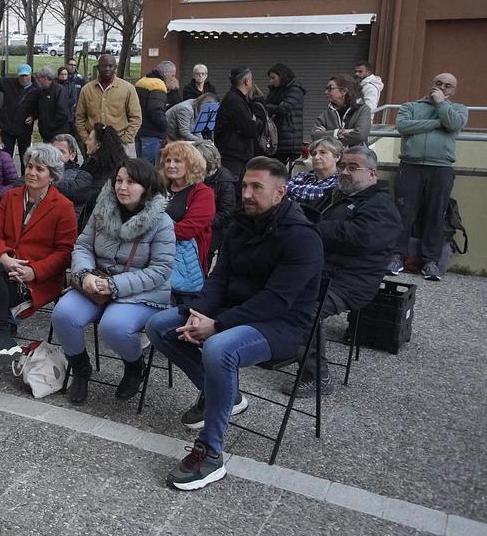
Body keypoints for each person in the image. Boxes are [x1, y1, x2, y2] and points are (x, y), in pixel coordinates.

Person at [146, 156, 323, 491]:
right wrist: (201, 312)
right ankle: (227, 396)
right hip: (232, 311)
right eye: (244, 185)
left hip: (281, 325)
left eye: (257, 187)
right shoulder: (242, 223)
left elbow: (276, 300)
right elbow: (219, 277)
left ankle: (211, 453)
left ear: (281, 192)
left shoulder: (302, 237)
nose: (247, 194)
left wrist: (218, 325)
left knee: (218, 348)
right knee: (159, 326)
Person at [54, 158, 176, 403]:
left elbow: (161, 270)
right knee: (62, 315)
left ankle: (134, 366)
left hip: (141, 290)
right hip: (96, 282)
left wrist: (115, 285)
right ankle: (81, 368)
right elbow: (82, 246)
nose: (122, 187)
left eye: (131, 182)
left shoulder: (161, 223)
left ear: (146, 187)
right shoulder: (102, 212)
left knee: (114, 326)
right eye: (119, 181)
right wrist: (84, 273)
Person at [0, 144, 78, 399]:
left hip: (36, 279)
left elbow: (65, 252)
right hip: (4, 269)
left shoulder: (63, 206)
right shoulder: (12, 196)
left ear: (53, 175)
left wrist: (33, 271)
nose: (32, 172)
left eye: (40, 169)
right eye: (29, 166)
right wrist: (5, 258)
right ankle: (3, 334)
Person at [288, 146, 400, 395]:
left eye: (352, 167)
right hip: (324, 272)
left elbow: (361, 238)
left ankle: (317, 376)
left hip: (351, 283)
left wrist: (313, 227)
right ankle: (279, 348)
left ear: (372, 173)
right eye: (342, 166)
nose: (344, 172)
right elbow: (315, 218)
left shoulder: (380, 206)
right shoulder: (340, 195)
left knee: (307, 307)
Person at [390, 73, 467, 281]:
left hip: (441, 168)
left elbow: (454, 124)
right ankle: (396, 255)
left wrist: (441, 105)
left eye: (448, 86)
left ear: (453, 91)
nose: (442, 87)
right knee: (402, 211)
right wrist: (436, 123)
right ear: (431, 84)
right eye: (439, 83)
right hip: (410, 165)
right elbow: (403, 127)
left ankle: (430, 262)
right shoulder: (410, 106)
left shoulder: (458, 109)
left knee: (436, 214)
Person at [158, 141, 216, 288]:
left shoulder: (203, 193)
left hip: (183, 263)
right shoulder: (159, 189)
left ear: (191, 164)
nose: (171, 165)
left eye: (177, 161)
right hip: (154, 255)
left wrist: (151, 230)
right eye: (168, 160)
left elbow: (188, 230)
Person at [75, 53, 141, 157]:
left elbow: (136, 118)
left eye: (110, 66)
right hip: (93, 144)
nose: (107, 68)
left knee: (118, 172)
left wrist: (125, 140)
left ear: (115, 67)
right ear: (98, 67)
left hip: (118, 144)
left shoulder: (128, 89)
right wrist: (87, 139)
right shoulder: (86, 90)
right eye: (104, 66)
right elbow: (80, 117)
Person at [213, 68, 266, 184]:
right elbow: (250, 129)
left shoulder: (237, 99)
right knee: (234, 189)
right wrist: (258, 121)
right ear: (247, 81)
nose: (252, 82)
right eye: (251, 79)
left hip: (236, 153)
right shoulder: (235, 101)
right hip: (233, 155)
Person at [0, 56, 39, 158]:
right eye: (21, 76)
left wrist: (33, 116)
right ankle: (7, 173)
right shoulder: (9, 83)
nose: (24, 79)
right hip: (7, 126)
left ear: (31, 75)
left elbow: (39, 107)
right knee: (6, 155)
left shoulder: (37, 89)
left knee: (25, 156)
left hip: (24, 127)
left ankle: (24, 173)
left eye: (26, 76)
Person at [196, 141, 236, 257]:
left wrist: (202, 222)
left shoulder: (225, 181)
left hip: (215, 228)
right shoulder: (196, 176)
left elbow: (226, 213)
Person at [313, 74, 372, 148]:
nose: (326, 92)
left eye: (330, 88)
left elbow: (360, 135)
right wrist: (337, 133)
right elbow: (315, 135)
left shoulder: (363, 109)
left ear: (344, 91)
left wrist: (328, 135)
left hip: (356, 156)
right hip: (333, 158)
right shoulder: (326, 114)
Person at [265, 63, 307, 164]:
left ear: (282, 76)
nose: (271, 81)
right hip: (276, 137)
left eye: (273, 78)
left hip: (288, 139)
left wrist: (267, 107)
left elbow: (284, 109)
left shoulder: (295, 89)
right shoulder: (275, 90)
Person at [285, 136, 342, 207]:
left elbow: (322, 195)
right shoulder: (302, 175)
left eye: (323, 152)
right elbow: (282, 191)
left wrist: (288, 189)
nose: (316, 157)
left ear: (337, 157)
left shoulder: (340, 180)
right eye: (314, 154)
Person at [51, 133, 97, 218]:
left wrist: (45, 185)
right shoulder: (40, 170)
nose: (56, 155)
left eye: (61, 152)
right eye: (53, 151)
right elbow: (21, 183)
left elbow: (76, 191)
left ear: (72, 155)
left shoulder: (82, 175)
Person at [133, 66, 170, 162]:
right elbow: (155, 110)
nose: (173, 78)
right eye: (172, 75)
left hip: (139, 130)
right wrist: (165, 127)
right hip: (152, 133)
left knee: (140, 166)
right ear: (166, 74)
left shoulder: (140, 82)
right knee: (149, 167)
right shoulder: (158, 85)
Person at [36, 65, 74, 142]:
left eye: (39, 78)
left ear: (45, 78)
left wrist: (50, 127)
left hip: (58, 134)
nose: (38, 81)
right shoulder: (42, 91)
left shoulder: (59, 90)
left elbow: (63, 113)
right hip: (46, 134)